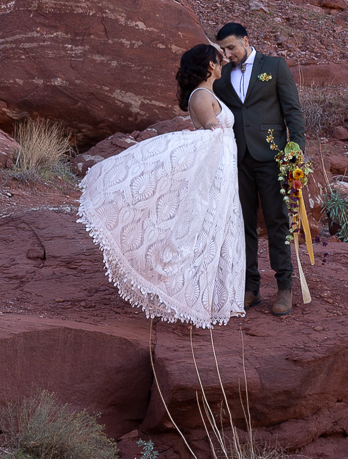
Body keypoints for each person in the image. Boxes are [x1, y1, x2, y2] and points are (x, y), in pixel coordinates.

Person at [76, 41, 245, 326]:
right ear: (210, 66)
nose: (223, 60)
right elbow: (210, 136)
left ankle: (212, 300)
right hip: (212, 174)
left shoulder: (209, 93)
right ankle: (183, 292)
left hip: (222, 174)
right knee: (198, 231)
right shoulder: (202, 96)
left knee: (217, 230)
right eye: (218, 58)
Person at [213, 21, 305, 318]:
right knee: (243, 224)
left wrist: (296, 150)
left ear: (246, 41)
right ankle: (249, 287)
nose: (228, 54)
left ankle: (285, 287)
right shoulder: (224, 75)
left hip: (273, 158)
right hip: (238, 160)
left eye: (231, 47)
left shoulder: (275, 67)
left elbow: (292, 110)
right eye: (224, 50)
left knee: (278, 222)